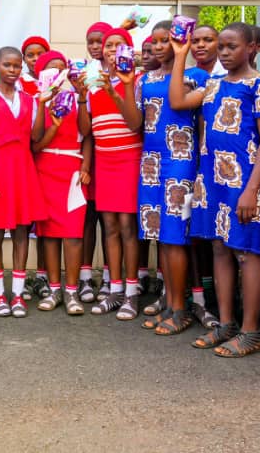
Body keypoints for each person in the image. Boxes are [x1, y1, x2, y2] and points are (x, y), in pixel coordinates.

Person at [169, 22, 260, 357]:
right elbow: (176, 100)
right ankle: (227, 322)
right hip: (212, 180)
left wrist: (252, 188)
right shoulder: (213, 84)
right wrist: (180, 55)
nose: (225, 52)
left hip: (243, 181)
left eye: (232, 46)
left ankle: (250, 329)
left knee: (246, 252)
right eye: (223, 47)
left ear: (252, 48)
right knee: (219, 249)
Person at [136, 21, 210, 335]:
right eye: (154, 42)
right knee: (161, 238)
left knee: (176, 236)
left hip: (180, 159)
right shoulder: (144, 79)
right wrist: (123, 86)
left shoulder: (197, 76)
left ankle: (181, 310)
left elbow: (179, 102)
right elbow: (134, 122)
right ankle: (170, 304)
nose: (157, 47)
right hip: (150, 161)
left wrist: (181, 56)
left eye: (165, 40)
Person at [0, 47, 46, 317]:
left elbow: (37, 136)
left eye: (17, 66)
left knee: (21, 230)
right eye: (7, 65)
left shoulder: (30, 100)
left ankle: (17, 293)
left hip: (23, 168)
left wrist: (45, 103)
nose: (13, 70)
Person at [81, 27, 143, 320]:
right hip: (104, 161)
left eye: (120, 45)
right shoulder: (94, 84)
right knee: (110, 227)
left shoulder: (136, 81)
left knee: (128, 228)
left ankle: (131, 293)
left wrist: (116, 90)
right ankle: (114, 289)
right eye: (109, 45)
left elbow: (134, 122)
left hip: (129, 158)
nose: (112, 49)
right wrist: (84, 95)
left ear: (128, 51)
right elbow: (85, 130)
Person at [31, 50, 92, 314]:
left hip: (72, 171)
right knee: (49, 236)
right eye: (51, 70)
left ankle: (71, 292)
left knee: (73, 234)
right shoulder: (36, 102)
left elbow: (87, 134)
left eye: (61, 69)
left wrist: (86, 165)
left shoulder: (75, 98)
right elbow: (36, 144)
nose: (57, 74)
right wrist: (46, 110)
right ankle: (54, 289)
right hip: (45, 170)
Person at [79, 21, 113, 302]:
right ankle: (86, 277)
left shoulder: (122, 72)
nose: (95, 46)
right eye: (90, 41)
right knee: (89, 219)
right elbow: (85, 127)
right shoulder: (86, 74)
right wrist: (86, 166)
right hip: (94, 157)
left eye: (99, 41)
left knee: (111, 222)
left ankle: (112, 280)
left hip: (118, 158)